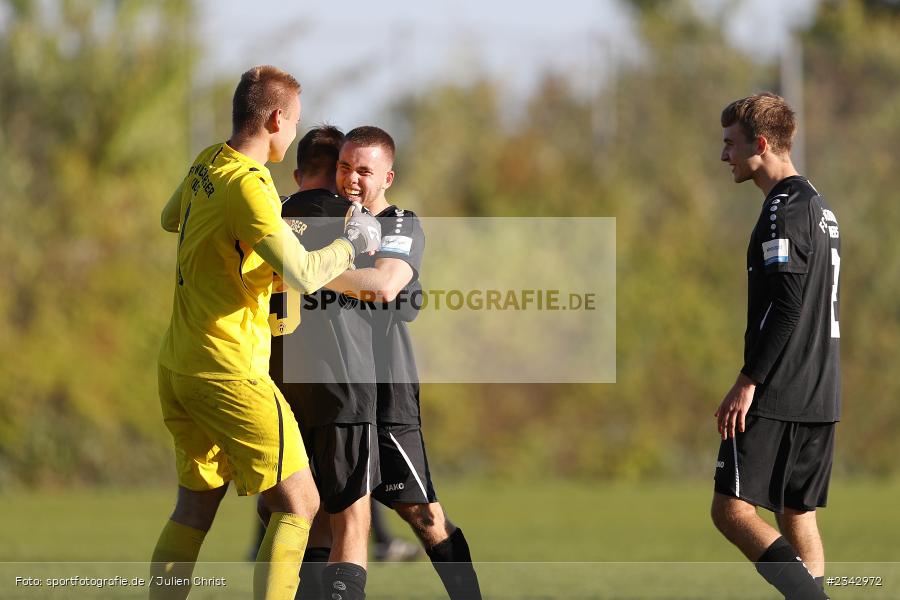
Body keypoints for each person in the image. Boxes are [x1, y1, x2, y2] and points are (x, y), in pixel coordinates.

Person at [151, 66, 380, 600]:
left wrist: (243, 252)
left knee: (194, 505)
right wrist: (351, 243)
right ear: (276, 118)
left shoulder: (209, 160)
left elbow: (171, 219)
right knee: (300, 502)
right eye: (295, 122)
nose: (295, 132)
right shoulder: (251, 185)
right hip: (228, 368)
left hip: (179, 364)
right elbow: (302, 273)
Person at [329, 126, 483, 600]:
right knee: (321, 513)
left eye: (364, 171)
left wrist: (309, 269)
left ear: (387, 177)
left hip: (385, 388)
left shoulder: (401, 224)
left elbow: (384, 284)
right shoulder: (321, 220)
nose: (351, 179)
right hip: (330, 390)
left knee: (422, 513)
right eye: (344, 167)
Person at [712, 93, 841, 600]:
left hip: (781, 388)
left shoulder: (782, 211)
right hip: (822, 389)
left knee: (732, 509)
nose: (724, 156)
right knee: (796, 512)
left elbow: (786, 307)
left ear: (760, 144)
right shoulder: (819, 206)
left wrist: (748, 381)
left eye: (730, 144)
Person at [266, 124, 379, 600]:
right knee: (350, 519)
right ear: (338, 171)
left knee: (290, 515)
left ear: (297, 172)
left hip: (276, 381)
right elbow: (383, 290)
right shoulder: (353, 217)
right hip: (341, 380)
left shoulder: (266, 213)